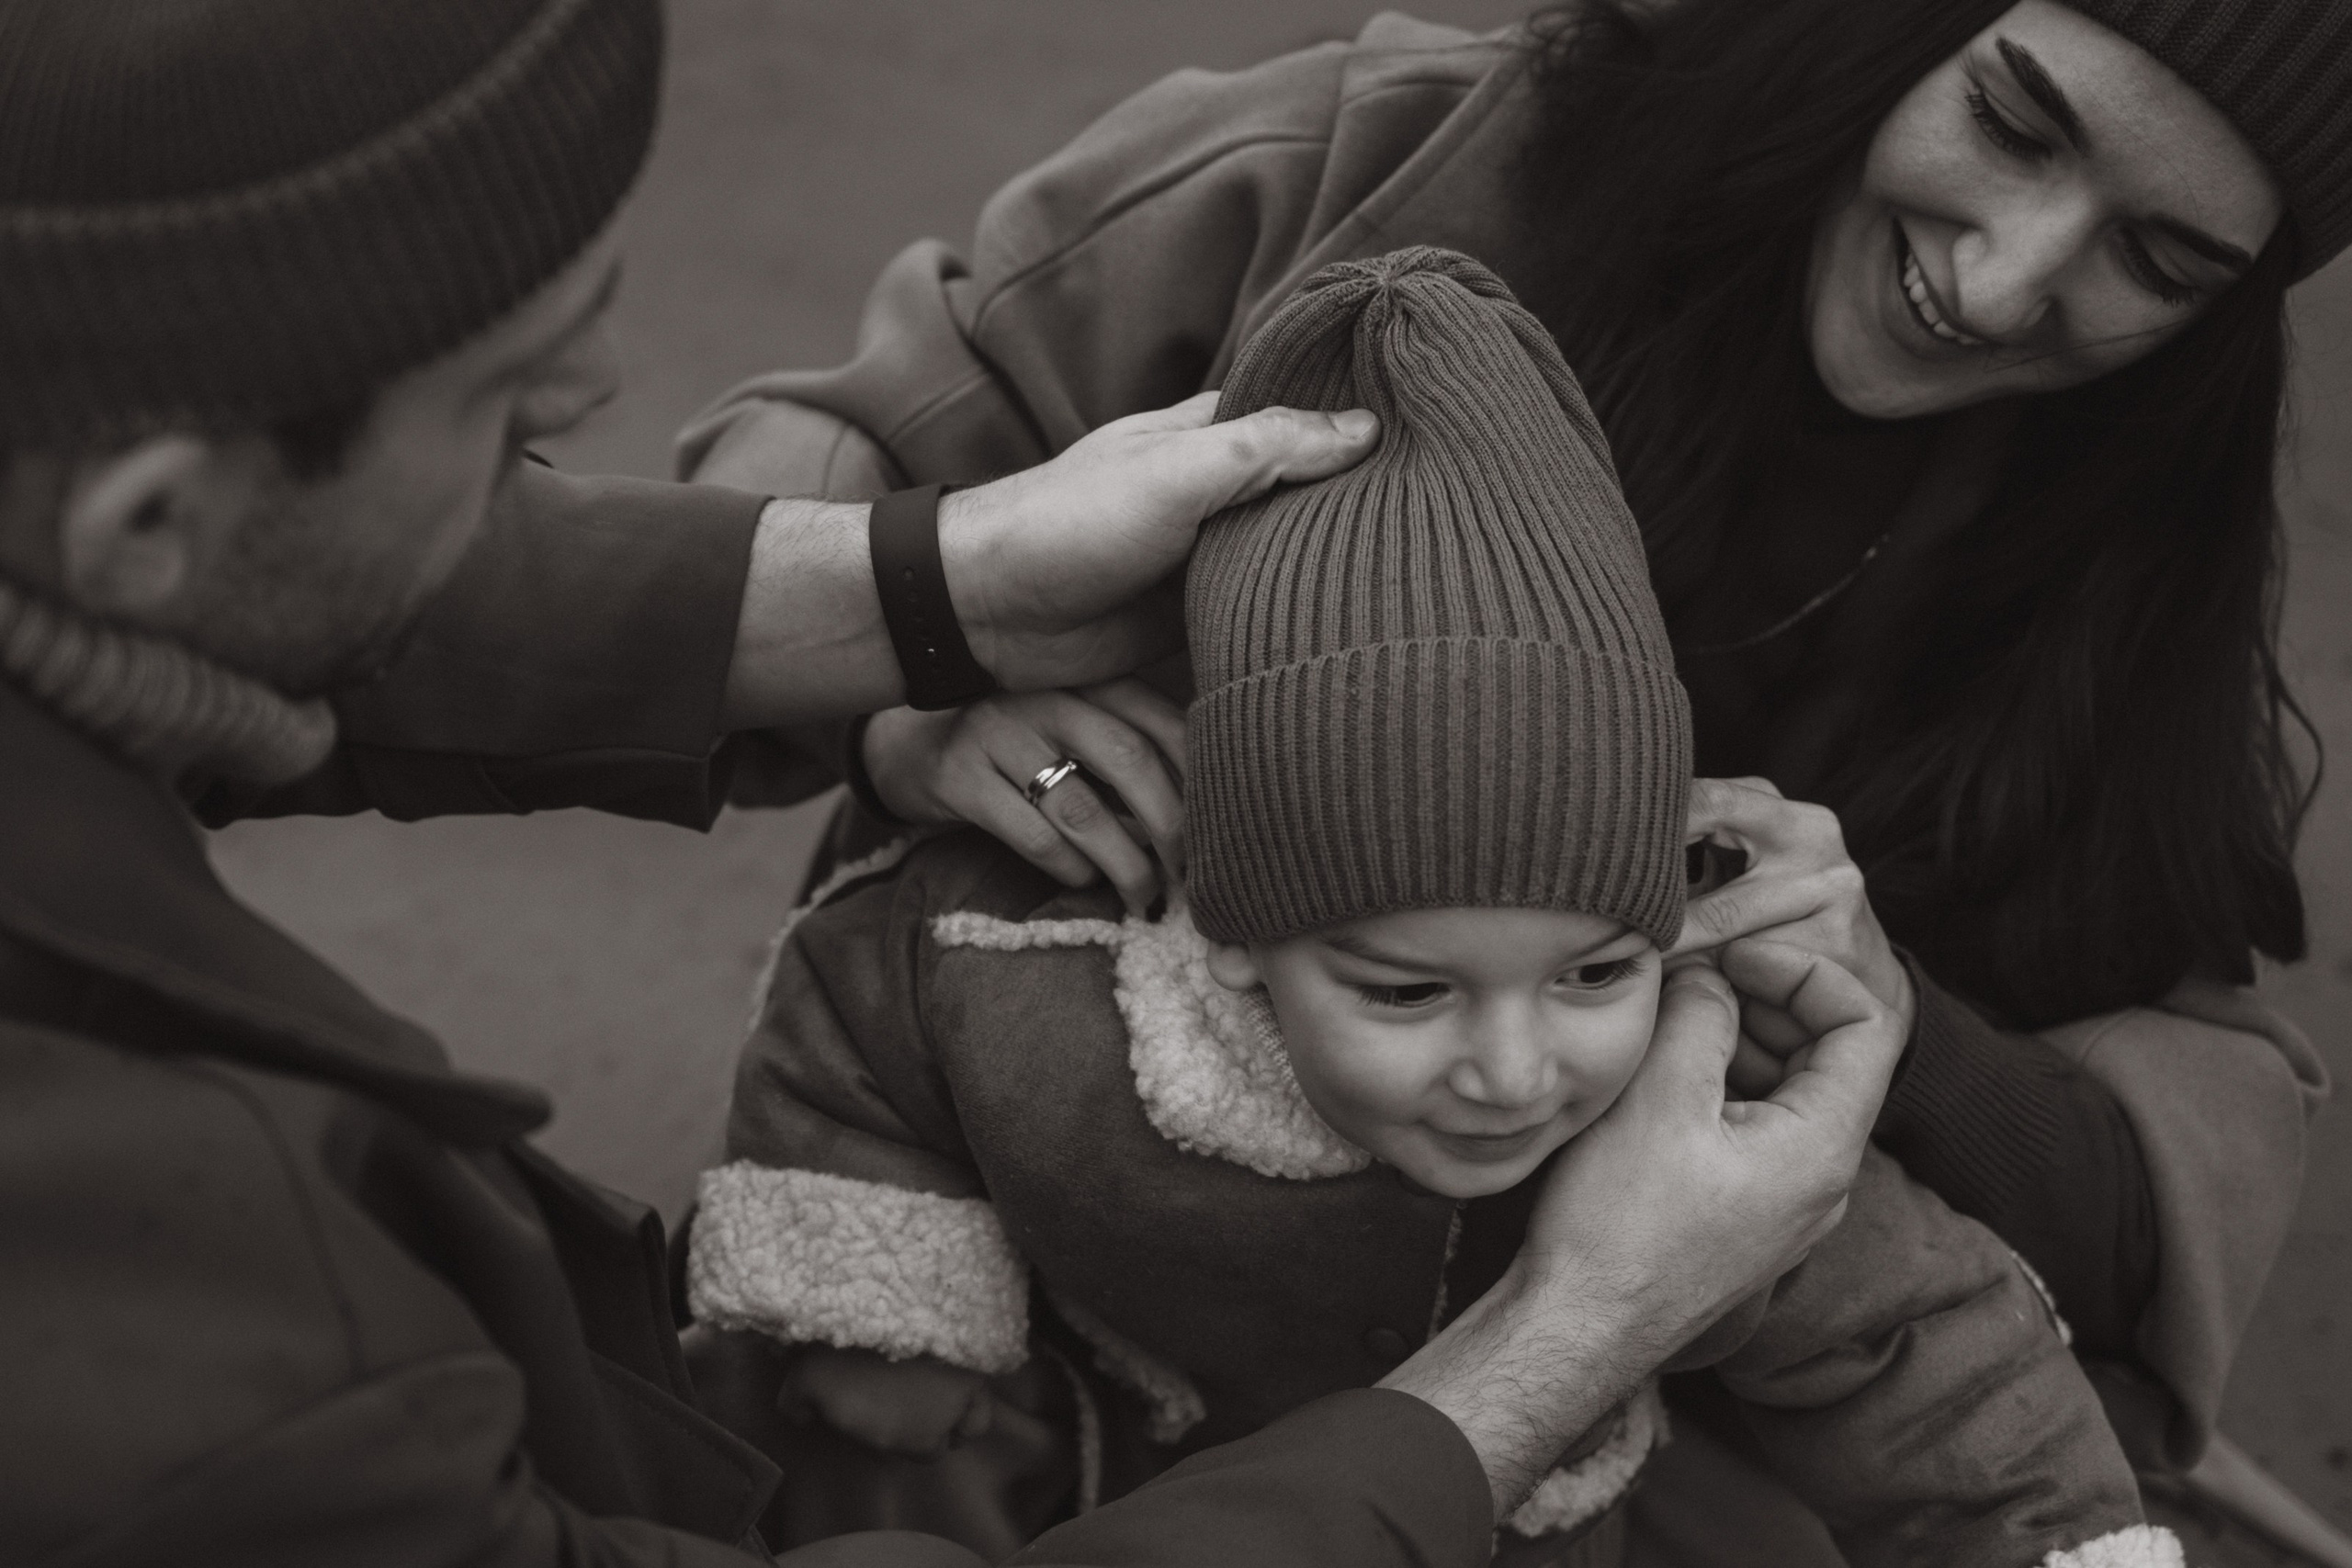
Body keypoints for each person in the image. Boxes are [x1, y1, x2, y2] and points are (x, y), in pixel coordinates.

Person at [0, 2, 1915, 1564]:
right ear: (146, 514)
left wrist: (928, 590)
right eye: (514, 415)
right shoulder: (172, 1326)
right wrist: (1552, 1346)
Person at [680, 0, 2335, 1502]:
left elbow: (2153, 1209)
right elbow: (758, 509)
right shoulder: (1370, 166)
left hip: (1640, 1426)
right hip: (1030, 1281)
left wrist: (1899, 1040)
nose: (1998, 283)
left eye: (2162, 262)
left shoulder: (2146, 526)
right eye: (2011, 123)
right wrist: (909, 682)